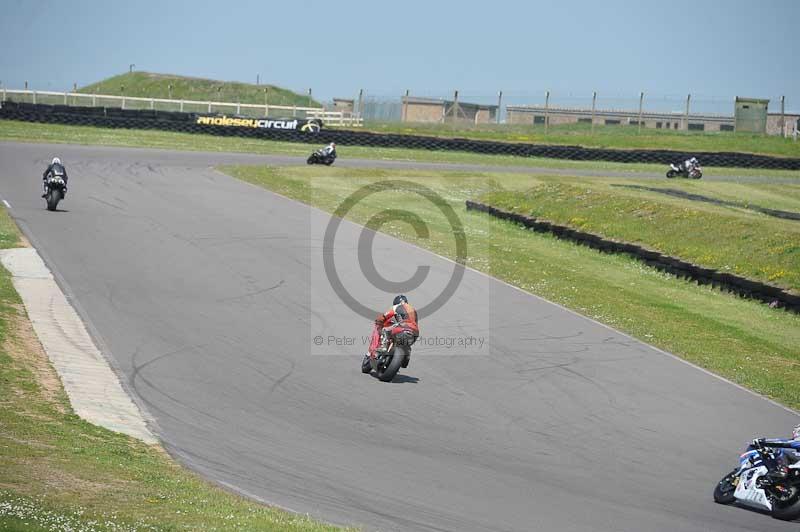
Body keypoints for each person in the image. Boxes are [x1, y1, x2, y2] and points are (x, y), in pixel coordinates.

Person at [362, 295, 419, 372]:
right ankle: (407, 355)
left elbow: (385, 315)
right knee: (407, 343)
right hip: (414, 332)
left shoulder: (397, 307)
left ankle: (383, 347)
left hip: (403, 327)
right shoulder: (413, 310)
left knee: (385, 329)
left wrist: (379, 321)